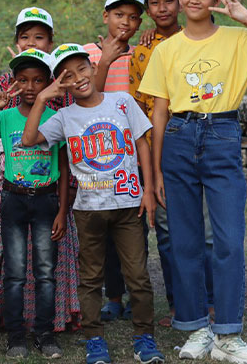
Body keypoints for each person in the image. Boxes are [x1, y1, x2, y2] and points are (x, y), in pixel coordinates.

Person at [139, 0, 247, 363]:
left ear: (215, 0)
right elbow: (158, 111)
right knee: (185, 242)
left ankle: (228, 335)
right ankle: (195, 330)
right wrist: (154, 171)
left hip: (222, 133)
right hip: (177, 136)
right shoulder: (166, 49)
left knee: (228, 241)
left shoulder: (238, 38)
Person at [23, 43, 165, 364]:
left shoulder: (122, 101)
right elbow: (30, 139)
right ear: (61, 83)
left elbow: (142, 141)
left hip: (128, 205)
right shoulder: (63, 116)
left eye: (82, 69)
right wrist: (44, 97)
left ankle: (144, 338)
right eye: (67, 76)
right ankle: (94, 340)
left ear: (93, 66)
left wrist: (145, 189)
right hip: (88, 211)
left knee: (138, 275)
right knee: (90, 279)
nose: (78, 78)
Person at [0, 8, 80, 334]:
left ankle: (49, 323)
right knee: (11, 260)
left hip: (49, 186)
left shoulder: (59, 94)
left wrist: (64, 206)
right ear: (16, 40)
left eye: (39, 37)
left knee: (49, 260)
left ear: (51, 42)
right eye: (24, 37)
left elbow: (63, 156)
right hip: (11, 183)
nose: (30, 42)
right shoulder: (7, 87)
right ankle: (9, 321)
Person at [0, 49, 67, 359]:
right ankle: (15, 336)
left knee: (45, 272)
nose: (29, 86)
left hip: (46, 201)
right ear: (13, 83)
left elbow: (63, 168)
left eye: (38, 80)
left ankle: (45, 334)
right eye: (22, 80)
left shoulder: (56, 119)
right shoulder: (6, 117)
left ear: (49, 84)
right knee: (14, 274)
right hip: (14, 199)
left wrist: (63, 210)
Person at [128, 0, 215, 327]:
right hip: (155, 144)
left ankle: (209, 302)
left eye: (168, 0)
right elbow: (139, 106)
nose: (162, 8)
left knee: (205, 229)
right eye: (154, 2)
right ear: (147, 10)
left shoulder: (200, 37)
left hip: (199, 136)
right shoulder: (143, 50)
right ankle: (179, 304)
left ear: (180, 2)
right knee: (166, 230)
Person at [82, 0, 147, 321]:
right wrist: (105, 58)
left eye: (134, 16)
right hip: (94, 153)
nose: (126, 21)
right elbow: (89, 93)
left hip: (130, 155)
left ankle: (136, 294)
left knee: (134, 229)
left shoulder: (140, 54)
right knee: (101, 231)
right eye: (119, 14)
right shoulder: (84, 54)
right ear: (105, 16)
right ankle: (113, 297)